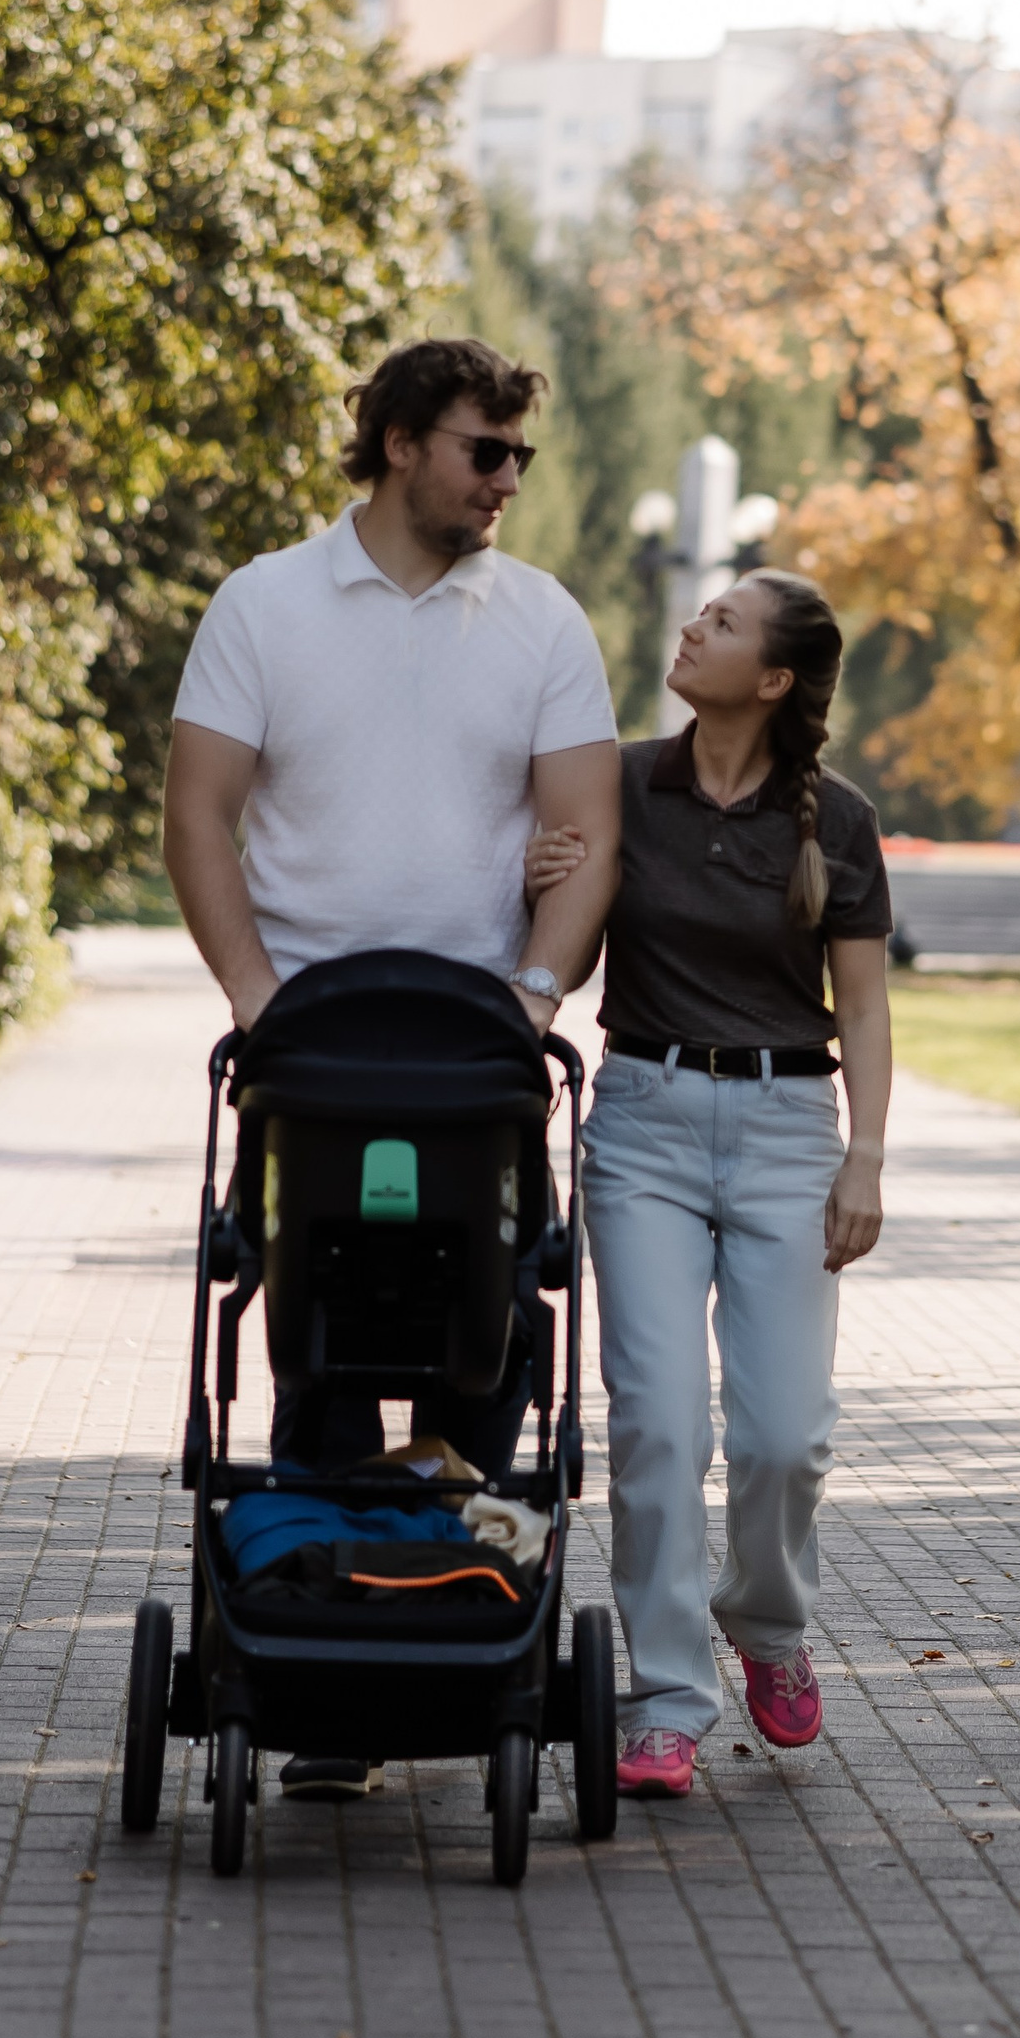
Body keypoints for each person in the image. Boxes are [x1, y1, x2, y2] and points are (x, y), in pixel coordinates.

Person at [163, 334, 620, 1796]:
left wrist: (538, 991)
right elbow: (199, 812)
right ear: (404, 439)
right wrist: (255, 992)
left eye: (517, 458)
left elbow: (587, 831)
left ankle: (467, 1630)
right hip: (310, 1056)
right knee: (315, 1336)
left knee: (486, 1341)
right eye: (486, 450)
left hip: (482, 1061)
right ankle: (328, 1669)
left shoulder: (544, 620)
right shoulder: (265, 603)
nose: (506, 480)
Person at [528, 569, 892, 1800]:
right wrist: (546, 885)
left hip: (792, 1128)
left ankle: (767, 1623)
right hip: (644, 1123)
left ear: (775, 678)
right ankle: (668, 1696)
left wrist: (865, 1156)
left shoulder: (835, 820)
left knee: (786, 1435)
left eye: (724, 624)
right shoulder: (627, 780)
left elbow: (866, 1006)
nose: (693, 626)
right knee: (659, 1424)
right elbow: (567, 958)